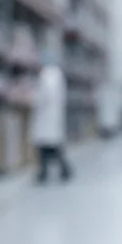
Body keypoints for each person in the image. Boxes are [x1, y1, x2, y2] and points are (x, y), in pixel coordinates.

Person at [32, 52, 72, 183]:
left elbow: (45, 96)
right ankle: (48, 172)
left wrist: (32, 98)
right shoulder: (57, 74)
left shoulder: (47, 75)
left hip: (46, 116)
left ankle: (48, 173)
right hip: (53, 116)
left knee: (48, 145)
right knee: (50, 145)